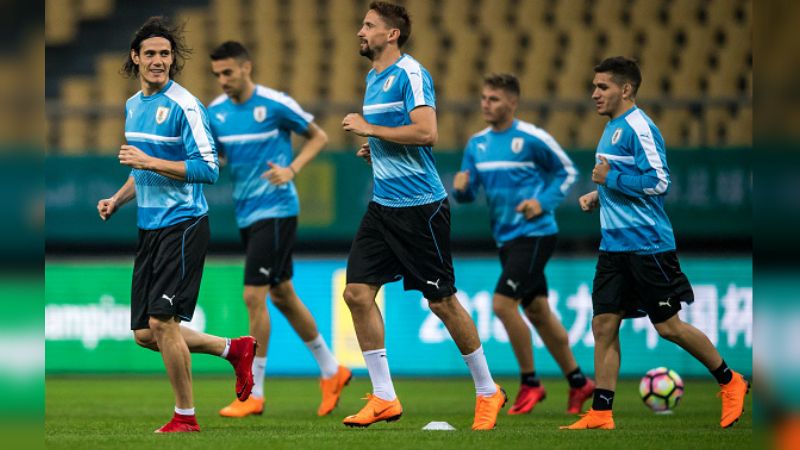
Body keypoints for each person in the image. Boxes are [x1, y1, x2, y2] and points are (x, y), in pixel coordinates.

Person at [340, 1, 506, 431]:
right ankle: (384, 397)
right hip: (384, 205)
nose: (360, 31)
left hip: (420, 208)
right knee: (357, 293)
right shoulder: (373, 77)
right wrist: (375, 150)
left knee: (442, 301)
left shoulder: (411, 74)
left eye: (369, 25)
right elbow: (402, 136)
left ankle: (489, 390)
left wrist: (372, 131)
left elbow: (427, 132)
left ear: (392, 34)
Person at [562, 56, 749, 430]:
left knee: (668, 327)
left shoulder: (640, 127)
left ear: (626, 89)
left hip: (647, 244)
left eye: (603, 87)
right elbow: (623, 178)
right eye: (594, 86)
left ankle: (731, 381)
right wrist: (596, 195)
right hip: (613, 246)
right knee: (603, 324)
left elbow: (660, 182)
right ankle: (601, 412)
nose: (594, 93)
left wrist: (610, 180)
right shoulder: (612, 126)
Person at [96, 17, 256, 433]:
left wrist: (148, 162)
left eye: (165, 54)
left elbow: (208, 169)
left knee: (164, 323)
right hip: (149, 227)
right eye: (150, 53)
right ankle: (233, 349)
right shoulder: (133, 106)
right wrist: (118, 198)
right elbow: (142, 168)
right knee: (145, 334)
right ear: (135, 57)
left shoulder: (185, 105)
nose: (158, 60)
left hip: (183, 224)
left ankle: (185, 417)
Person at [207, 41, 351, 417]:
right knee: (283, 294)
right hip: (247, 214)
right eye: (217, 74)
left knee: (254, 296)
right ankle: (332, 370)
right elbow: (218, 155)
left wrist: (292, 170)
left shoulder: (274, 104)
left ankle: (253, 393)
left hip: (276, 210)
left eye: (228, 72)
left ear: (246, 67)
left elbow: (319, 136)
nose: (222, 80)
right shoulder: (216, 114)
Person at [452, 73, 595, 415]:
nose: (486, 103)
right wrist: (461, 189)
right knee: (538, 312)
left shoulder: (532, 138)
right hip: (506, 238)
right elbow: (470, 192)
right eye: (484, 98)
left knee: (503, 304)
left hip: (535, 234)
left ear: (512, 102)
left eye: (494, 99)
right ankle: (579, 382)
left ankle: (530, 383)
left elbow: (567, 172)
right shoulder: (477, 145)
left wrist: (542, 203)